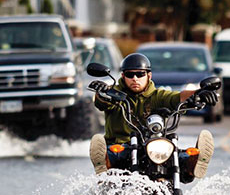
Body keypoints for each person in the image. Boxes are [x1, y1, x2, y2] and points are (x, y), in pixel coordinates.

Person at [89, 53, 218, 177]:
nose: (135, 78)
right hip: (122, 147)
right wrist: (102, 92)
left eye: (140, 74)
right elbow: (102, 102)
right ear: (123, 76)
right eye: (130, 74)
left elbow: (178, 97)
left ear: (149, 76)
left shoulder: (157, 96)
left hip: (153, 147)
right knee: (113, 154)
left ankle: (194, 162)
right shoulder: (115, 93)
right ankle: (103, 162)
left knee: (174, 153)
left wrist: (199, 94)